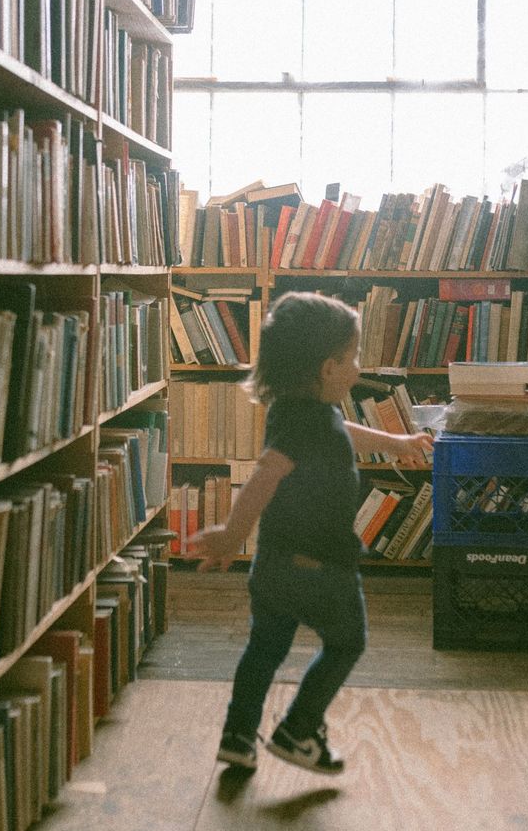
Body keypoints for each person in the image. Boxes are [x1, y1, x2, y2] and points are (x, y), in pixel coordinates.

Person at [189, 291, 434, 775]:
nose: (358, 369)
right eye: (353, 358)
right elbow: (264, 475)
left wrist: (396, 442)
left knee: (265, 648)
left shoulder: (294, 410)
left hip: (275, 565)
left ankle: (238, 735)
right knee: (346, 644)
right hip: (323, 569)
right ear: (327, 368)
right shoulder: (306, 423)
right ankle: (299, 730)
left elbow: (342, 431)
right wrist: (231, 532)